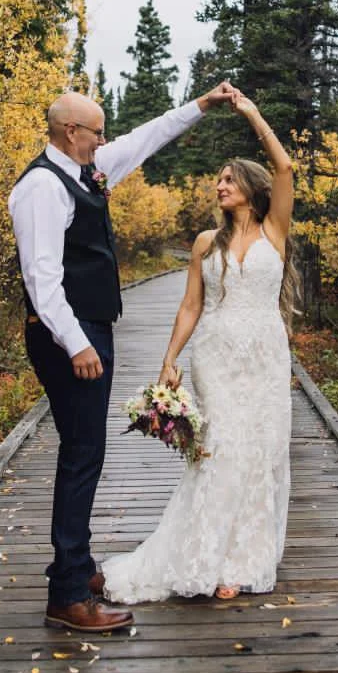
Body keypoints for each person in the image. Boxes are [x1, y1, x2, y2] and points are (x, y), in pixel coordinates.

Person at [8, 81, 236, 633]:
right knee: (82, 454)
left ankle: (78, 567)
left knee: (86, 450)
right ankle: (66, 593)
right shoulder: (42, 185)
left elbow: (144, 139)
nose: (105, 140)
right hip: (69, 335)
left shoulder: (86, 169)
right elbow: (42, 277)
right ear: (71, 131)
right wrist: (77, 342)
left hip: (89, 329)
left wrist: (200, 106)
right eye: (97, 131)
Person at [102, 91, 295, 604]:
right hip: (215, 354)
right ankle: (204, 557)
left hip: (266, 357)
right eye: (218, 180)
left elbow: (284, 164)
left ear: (252, 190)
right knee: (218, 452)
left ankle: (242, 561)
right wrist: (169, 358)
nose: (220, 186)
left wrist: (252, 112)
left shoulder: (276, 231)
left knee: (259, 453)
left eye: (229, 180)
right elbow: (190, 306)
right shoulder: (206, 243)